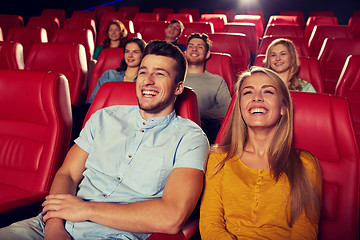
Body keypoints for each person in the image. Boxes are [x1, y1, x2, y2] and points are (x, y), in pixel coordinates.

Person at [0, 40, 209, 240]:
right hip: (49, 225)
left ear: (178, 87)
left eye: (160, 74)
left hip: (115, 234)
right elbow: (68, 174)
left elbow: (172, 217)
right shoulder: (104, 117)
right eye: (143, 72)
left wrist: (86, 209)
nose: (147, 80)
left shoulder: (190, 138)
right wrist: (54, 225)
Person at [199, 67, 322, 239]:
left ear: (283, 108)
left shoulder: (305, 163)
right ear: (240, 107)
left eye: (268, 92)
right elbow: (210, 224)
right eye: (248, 92)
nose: (257, 98)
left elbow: (305, 231)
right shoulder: (219, 159)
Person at [184, 33, 232, 144]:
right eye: (191, 46)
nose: (194, 49)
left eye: (200, 47)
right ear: (185, 53)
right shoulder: (174, 77)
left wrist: (198, 114)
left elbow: (227, 109)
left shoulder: (217, 80)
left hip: (203, 129)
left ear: (207, 54)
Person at [87, 37, 146, 104]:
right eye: (127, 51)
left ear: (143, 55)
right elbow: (92, 102)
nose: (130, 55)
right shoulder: (109, 75)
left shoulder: (145, 79)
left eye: (135, 52)